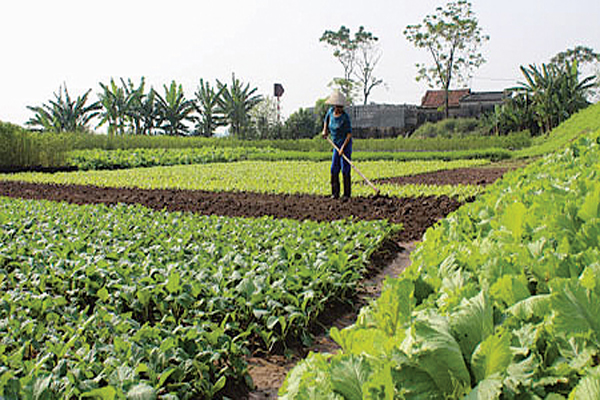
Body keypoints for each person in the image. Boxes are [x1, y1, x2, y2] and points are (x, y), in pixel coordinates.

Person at [322, 90, 352, 199]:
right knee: (334, 168)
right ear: (334, 105)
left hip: (345, 144)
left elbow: (349, 134)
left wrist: (343, 148)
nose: (339, 108)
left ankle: (347, 194)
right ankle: (335, 193)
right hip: (335, 145)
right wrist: (325, 131)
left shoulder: (345, 118)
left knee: (345, 168)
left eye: (341, 106)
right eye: (337, 106)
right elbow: (326, 121)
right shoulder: (330, 112)